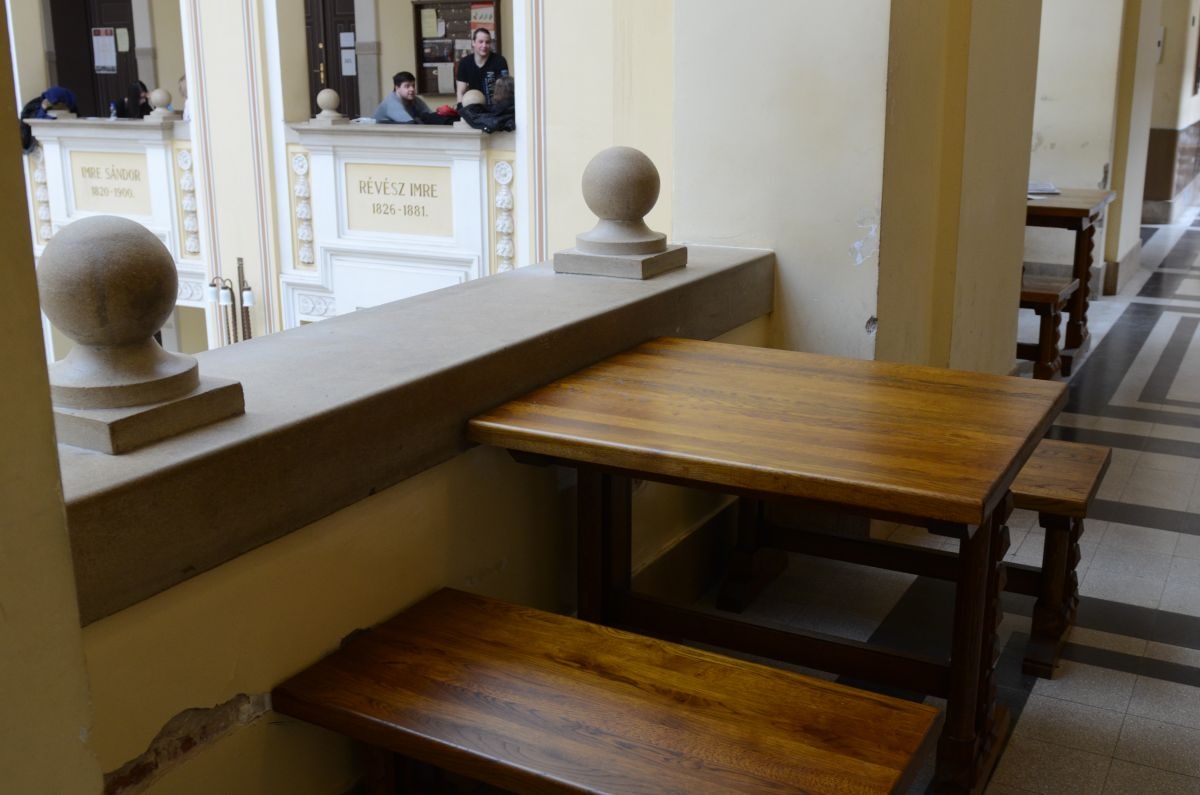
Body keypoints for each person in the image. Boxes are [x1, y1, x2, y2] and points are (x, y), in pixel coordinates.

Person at [455, 28, 509, 106]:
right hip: (473, 107)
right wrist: (461, 109)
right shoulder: (464, 63)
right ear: (473, 43)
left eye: (487, 42)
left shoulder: (500, 61)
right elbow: (460, 92)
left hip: (495, 108)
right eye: (481, 42)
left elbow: (505, 90)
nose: (484, 45)